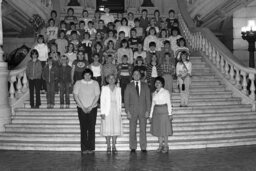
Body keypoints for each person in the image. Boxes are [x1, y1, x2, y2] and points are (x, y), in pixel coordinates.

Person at [73, 69, 100, 154]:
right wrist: (83, 107)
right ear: (83, 75)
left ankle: (91, 148)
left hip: (93, 108)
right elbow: (75, 95)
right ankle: (84, 148)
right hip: (81, 108)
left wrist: (91, 107)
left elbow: (97, 95)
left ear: (91, 75)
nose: (87, 76)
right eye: (86, 75)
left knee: (91, 128)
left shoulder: (95, 83)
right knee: (83, 128)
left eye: (89, 75)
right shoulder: (78, 83)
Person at [124, 69, 151, 153]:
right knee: (132, 129)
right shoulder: (129, 86)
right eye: (134, 74)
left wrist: (148, 111)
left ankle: (143, 147)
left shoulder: (145, 85)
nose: (136, 75)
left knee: (143, 129)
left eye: (138, 74)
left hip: (143, 110)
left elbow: (148, 99)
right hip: (132, 111)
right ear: (132, 76)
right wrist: (127, 111)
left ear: (140, 76)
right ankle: (133, 146)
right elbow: (126, 100)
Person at [149, 76, 173, 153]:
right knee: (159, 130)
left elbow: (169, 103)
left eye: (159, 82)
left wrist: (170, 114)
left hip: (164, 112)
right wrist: (150, 115)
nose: (157, 84)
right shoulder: (154, 93)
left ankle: (166, 145)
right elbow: (152, 104)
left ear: (162, 84)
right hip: (156, 112)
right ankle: (160, 145)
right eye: (156, 82)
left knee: (164, 130)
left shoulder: (166, 92)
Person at [100, 74, 122, 153]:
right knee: (107, 128)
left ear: (115, 80)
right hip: (107, 111)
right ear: (107, 80)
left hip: (116, 110)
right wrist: (102, 112)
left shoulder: (118, 89)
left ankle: (114, 146)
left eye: (113, 78)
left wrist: (120, 112)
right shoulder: (104, 88)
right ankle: (108, 146)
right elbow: (102, 101)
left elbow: (119, 101)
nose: (112, 80)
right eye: (110, 78)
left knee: (115, 128)